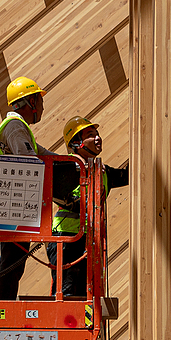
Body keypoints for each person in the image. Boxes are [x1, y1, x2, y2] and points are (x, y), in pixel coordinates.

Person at [46, 117, 129, 297]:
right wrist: (79, 206)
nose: (98, 138)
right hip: (66, 239)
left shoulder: (101, 171)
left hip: (89, 240)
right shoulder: (67, 167)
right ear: (76, 142)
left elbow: (127, 175)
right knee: (65, 294)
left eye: (97, 134)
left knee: (87, 295)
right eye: (91, 135)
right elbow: (54, 192)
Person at [0, 76, 56, 299]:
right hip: (13, 203)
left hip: (14, 203)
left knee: (14, 260)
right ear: (29, 102)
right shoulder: (15, 127)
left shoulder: (18, 128)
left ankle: (5, 303)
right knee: (12, 261)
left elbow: (42, 153)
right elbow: (30, 160)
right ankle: (4, 305)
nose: (42, 105)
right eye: (39, 99)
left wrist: (71, 163)